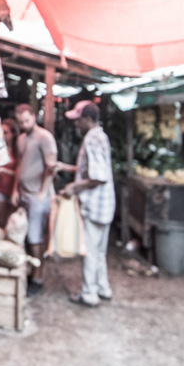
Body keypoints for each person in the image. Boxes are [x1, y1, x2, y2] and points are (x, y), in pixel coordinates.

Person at [62, 100, 114, 308]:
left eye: (79, 120)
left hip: (94, 205)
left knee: (90, 251)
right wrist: (66, 168)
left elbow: (97, 176)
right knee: (100, 251)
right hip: (106, 204)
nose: (76, 124)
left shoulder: (91, 139)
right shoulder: (101, 136)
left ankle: (89, 293)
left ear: (88, 119)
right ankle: (103, 288)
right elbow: (91, 170)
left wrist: (73, 188)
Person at [13, 104, 57, 294]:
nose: (24, 124)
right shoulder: (21, 139)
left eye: (27, 120)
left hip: (38, 196)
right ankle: (31, 271)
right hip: (24, 193)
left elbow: (51, 166)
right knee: (25, 237)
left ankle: (38, 278)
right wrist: (15, 190)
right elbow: (20, 165)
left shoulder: (44, 137)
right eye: (21, 122)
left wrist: (42, 192)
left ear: (33, 117)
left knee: (35, 238)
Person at [0, 117, 18, 227]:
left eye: (5, 132)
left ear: (13, 134)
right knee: (0, 220)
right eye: (1, 132)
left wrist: (5, 170)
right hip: (0, 188)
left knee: (13, 222)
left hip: (13, 189)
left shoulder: (17, 151)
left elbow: (21, 173)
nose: (3, 136)